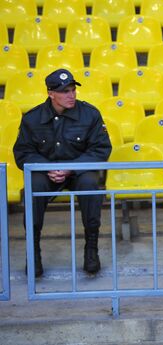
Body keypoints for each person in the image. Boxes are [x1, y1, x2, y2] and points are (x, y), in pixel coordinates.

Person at [13, 68, 112, 277]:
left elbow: (101, 148)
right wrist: (47, 167)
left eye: (73, 89)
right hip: (46, 171)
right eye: (65, 91)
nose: (71, 95)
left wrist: (70, 168)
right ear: (51, 94)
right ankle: (33, 253)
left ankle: (91, 249)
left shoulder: (90, 114)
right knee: (34, 186)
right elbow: (23, 152)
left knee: (90, 185)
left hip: (77, 170)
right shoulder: (32, 118)